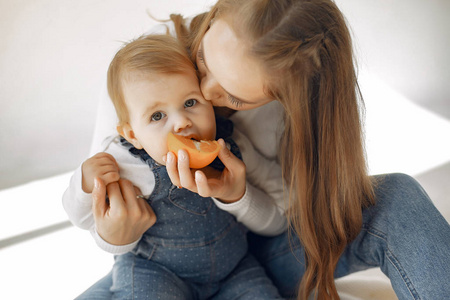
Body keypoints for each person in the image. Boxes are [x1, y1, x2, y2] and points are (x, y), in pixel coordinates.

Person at [76, 1, 450, 299]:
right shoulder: (145, 65)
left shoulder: (291, 102)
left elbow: (286, 211)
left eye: (234, 96)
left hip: (257, 255)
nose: (204, 94)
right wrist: (115, 233)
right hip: (164, 267)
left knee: (397, 196)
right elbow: (98, 204)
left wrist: (238, 196)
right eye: (204, 61)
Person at [63, 33, 286, 299]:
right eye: (157, 116)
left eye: (190, 103)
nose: (181, 122)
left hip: (234, 270)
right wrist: (84, 185)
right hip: (155, 272)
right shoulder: (122, 163)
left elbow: (280, 217)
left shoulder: (233, 146)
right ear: (132, 135)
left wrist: (237, 195)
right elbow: (81, 217)